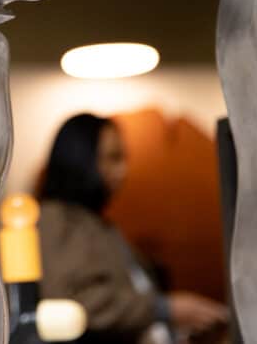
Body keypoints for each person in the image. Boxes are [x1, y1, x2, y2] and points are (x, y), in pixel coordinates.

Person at [37, 113, 229, 344]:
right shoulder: (57, 219)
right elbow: (73, 302)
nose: (123, 171)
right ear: (80, 158)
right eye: (113, 158)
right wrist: (166, 309)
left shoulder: (99, 224)